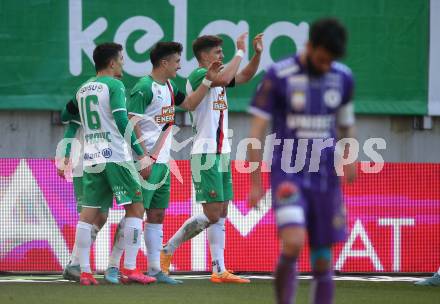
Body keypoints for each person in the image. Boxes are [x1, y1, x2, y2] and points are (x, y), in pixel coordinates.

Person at [248, 18, 356, 304]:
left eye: (330, 61)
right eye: (321, 59)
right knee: (293, 243)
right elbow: (257, 130)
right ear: (309, 46)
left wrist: (350, 157)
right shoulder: (278, 75)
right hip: (289, 174)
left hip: (325, 177)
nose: (325, 66)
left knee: (322, 260)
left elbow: (346, 124)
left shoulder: (343, 77)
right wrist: (255, 182)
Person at [104, 41, 221, 284]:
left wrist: (208, 81)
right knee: (134, 214)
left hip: (163, 162)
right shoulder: (144, 87)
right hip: (144, 162)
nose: (180, 65)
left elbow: (189, 104)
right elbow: (130, 123)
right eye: (177, 61)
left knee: (156, 215)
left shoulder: (169, 86)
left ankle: (154, 268)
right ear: (164, 63)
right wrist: (143, 157)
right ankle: (114, 266)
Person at [161, 32, 263, 283]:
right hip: (204, 153)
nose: (222, 55)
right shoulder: (199, 75)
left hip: (222, 151)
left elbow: (245, 76)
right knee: (212, 213)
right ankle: (167, 250)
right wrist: (240, 51)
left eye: (223, 52)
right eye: (218, 52)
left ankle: (219, 270)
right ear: (205, 56)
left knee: (222, 210)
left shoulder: (218, 77)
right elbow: (227, 75)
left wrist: (257, 54)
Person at [64, 42, 155, 285]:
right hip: (115, 155)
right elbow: (122, 118)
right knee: (136, 209)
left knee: (88, 215)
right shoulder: (114, 85)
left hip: (92, 158)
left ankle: (84, 271)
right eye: (122, 59)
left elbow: (68, 116)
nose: (124, 63)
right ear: (112, 62)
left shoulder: (82, 89)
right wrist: (140, 153)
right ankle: (131, 269)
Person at [57, 102, 109, 282]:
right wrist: (64, 157)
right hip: (83, 167)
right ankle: (75, 264)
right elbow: (70, 129)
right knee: (87, 215)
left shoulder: (109, 104)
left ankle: (75, 262)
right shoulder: (84, 106)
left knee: (102, 217)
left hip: (103, 165)